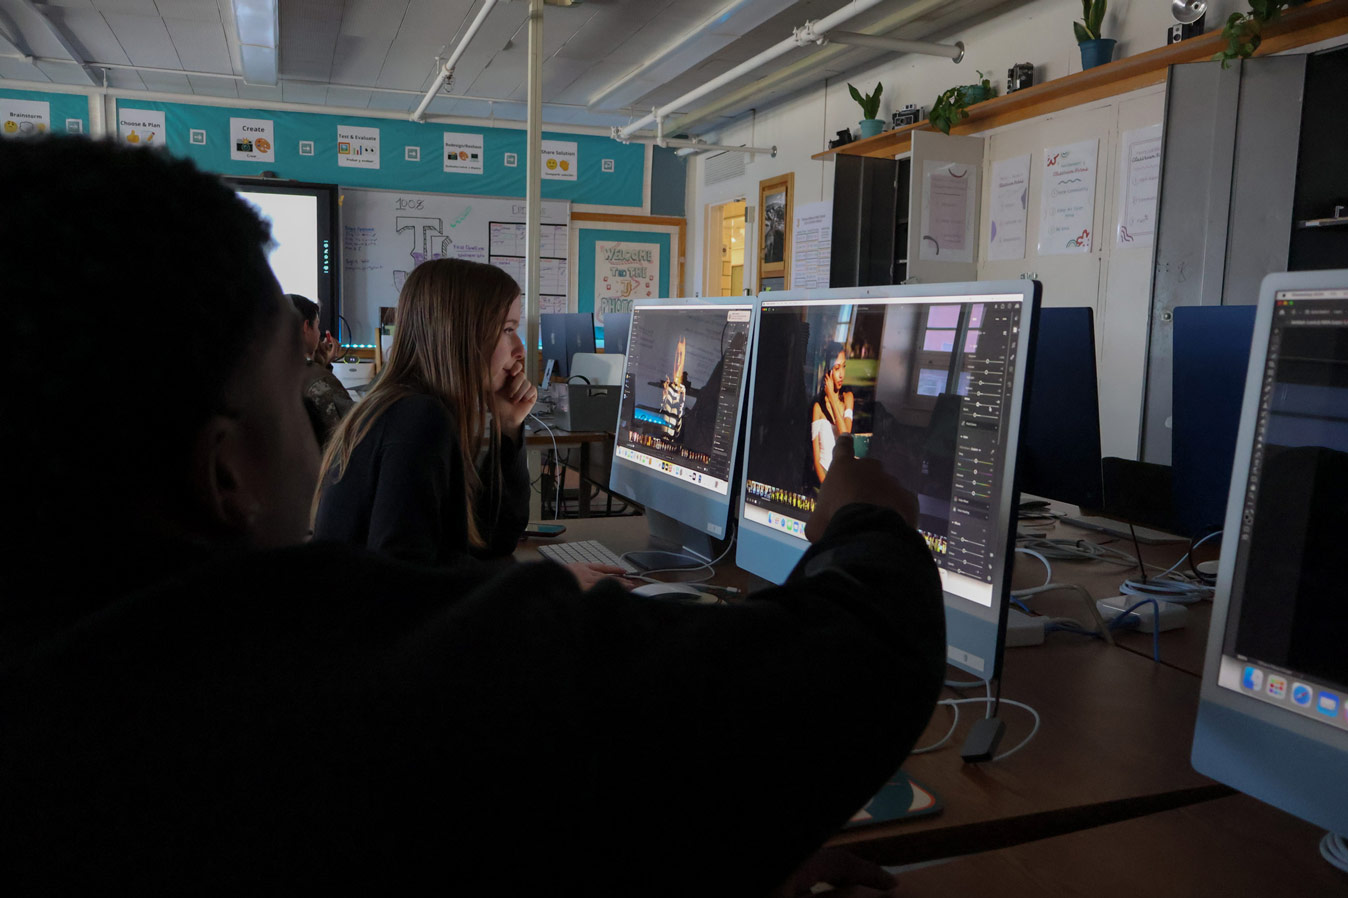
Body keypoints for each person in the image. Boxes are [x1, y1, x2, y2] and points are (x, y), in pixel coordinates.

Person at [0, 137, 945, 895]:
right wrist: (869, 524)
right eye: (293, 396)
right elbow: (840, 678)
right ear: (224, 472)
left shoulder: (102, 734)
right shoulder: (325, 678)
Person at [311, 258, 623, 586]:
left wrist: (507, 428)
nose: (520, 349)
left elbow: (493, 539)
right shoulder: (416, 418)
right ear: (460, 332)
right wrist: (541, 582)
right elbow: (406, 579)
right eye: (508, 330)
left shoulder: (413, 407)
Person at [288, 293, 354, 444]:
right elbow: (348, 436)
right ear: (306, 327)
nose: (319, 333)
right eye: (317, 325)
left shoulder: (262, 374)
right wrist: (319, 371)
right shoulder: (320, 380)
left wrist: (321, 365)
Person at [812, 341, 855, 484]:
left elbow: (845, 435)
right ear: (828, 371)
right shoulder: (818, 408)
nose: (841, 374)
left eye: (843, 367)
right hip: (824, 476)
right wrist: (827, 487)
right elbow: (816, 459)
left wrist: (831, 397)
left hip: (844, 475)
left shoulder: (848, 398)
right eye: (837, 368)